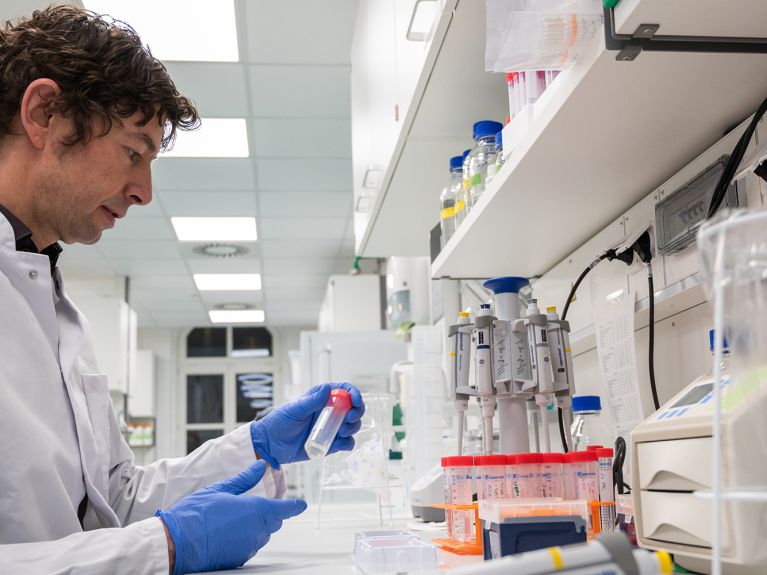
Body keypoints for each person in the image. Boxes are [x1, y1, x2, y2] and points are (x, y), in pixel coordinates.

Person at [0, 5, 365, 574]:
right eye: (133, 151)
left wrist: (258, 445)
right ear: (44, 114)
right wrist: (165, 547)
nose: (144, 190)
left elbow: (115, 498)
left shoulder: (51, 301)